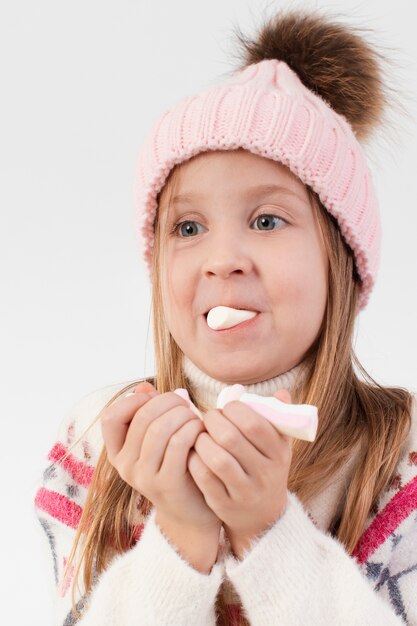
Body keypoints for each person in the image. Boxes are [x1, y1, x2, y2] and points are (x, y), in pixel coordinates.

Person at [34, 8, 417, 626]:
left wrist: (270, 534)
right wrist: (180, 537)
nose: (222, 260)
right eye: (188, 227)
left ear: (343, 259)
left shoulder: (399, 456)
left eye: (267, 220)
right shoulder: (99, 443)